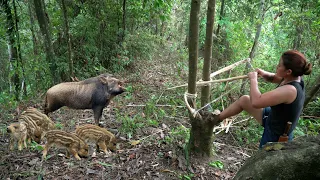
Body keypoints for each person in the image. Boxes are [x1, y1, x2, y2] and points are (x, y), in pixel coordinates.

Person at [217, 50, 312, 148]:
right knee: (244, 100)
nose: (277, 67)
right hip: (272, 116)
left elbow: (256, 102)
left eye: (279, 66)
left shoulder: (290, 90)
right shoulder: (294, 77)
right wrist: (263, 73)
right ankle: (216, 118)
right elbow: (275, 78)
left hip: (276, 135)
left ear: (288, 71)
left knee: (261, 160)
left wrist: (253, 80)